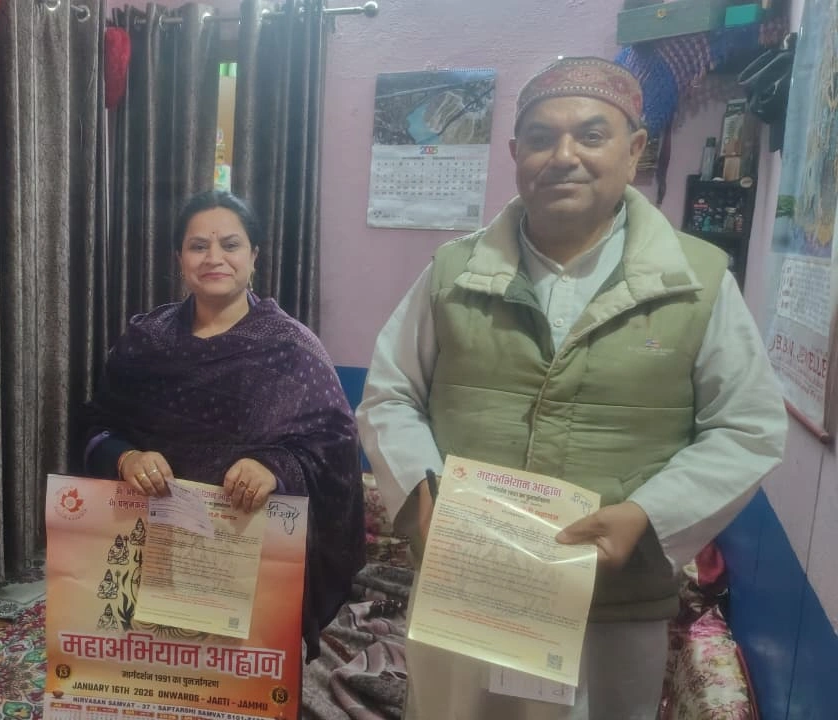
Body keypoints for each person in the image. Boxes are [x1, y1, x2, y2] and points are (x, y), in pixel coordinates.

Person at [355, 57, 787, 720]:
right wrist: (422, 492)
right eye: (540, 138)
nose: (564, 157)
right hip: (466, 589)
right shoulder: (453, 273)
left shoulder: (696, 282)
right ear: (514, 155)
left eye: (590, 135)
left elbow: (748, 427)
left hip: (610, 606)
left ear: (634, 150)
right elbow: (390, 394)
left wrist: (648, 516)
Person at [83, 191, 366, 659]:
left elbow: (334, 446)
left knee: (236, 678)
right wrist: (127, 457)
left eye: (230, 245)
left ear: (253, 256)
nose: (214, 258)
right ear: (179, 258)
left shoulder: (290, 348)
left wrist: (275, 468)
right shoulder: (145, 342)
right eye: (198, 246)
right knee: (151, 673)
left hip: (250, 554)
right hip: (151, 544)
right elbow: (98, 425)